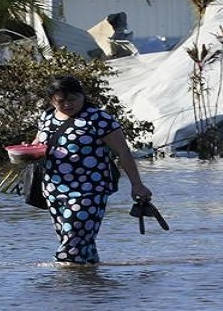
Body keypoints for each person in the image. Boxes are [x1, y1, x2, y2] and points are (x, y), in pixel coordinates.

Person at [31, 74, 152, 265]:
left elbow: (123, 152)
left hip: (90, 188)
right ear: (51, 101)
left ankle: (63, 287)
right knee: (80, 242)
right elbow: (38, 143)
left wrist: (137, 185)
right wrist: (27, 150)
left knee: (73, 241)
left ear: (82, 95)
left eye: (73, 99)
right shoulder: (47, 117)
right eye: (61, 101)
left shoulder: (99, 119)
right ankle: (90, 286)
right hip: (53, 189)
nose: (68, 105)